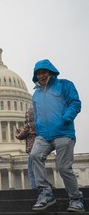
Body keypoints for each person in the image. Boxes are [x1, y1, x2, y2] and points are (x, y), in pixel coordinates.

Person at [30, 59, 84, 212]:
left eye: (44, 72)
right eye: (38, 73)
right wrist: (38, 129)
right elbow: (36, 113)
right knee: (34, 155)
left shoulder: (64, 85)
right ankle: (46, 192)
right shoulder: (36, 94)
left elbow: (75, 103)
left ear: (51, 72)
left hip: (63, 132)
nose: (41, 75)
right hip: (44, 135)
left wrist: (66, 118)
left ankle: (76, 199)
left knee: (63, 167)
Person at [15, 107, 37, 189]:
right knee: (39, 168)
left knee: (31, 171)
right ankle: (44, 185)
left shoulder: (29, 125)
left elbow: (21, 136)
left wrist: (17, 133)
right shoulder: (40, 123)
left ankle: (35, 187)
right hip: (41, 148)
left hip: (32, 149)